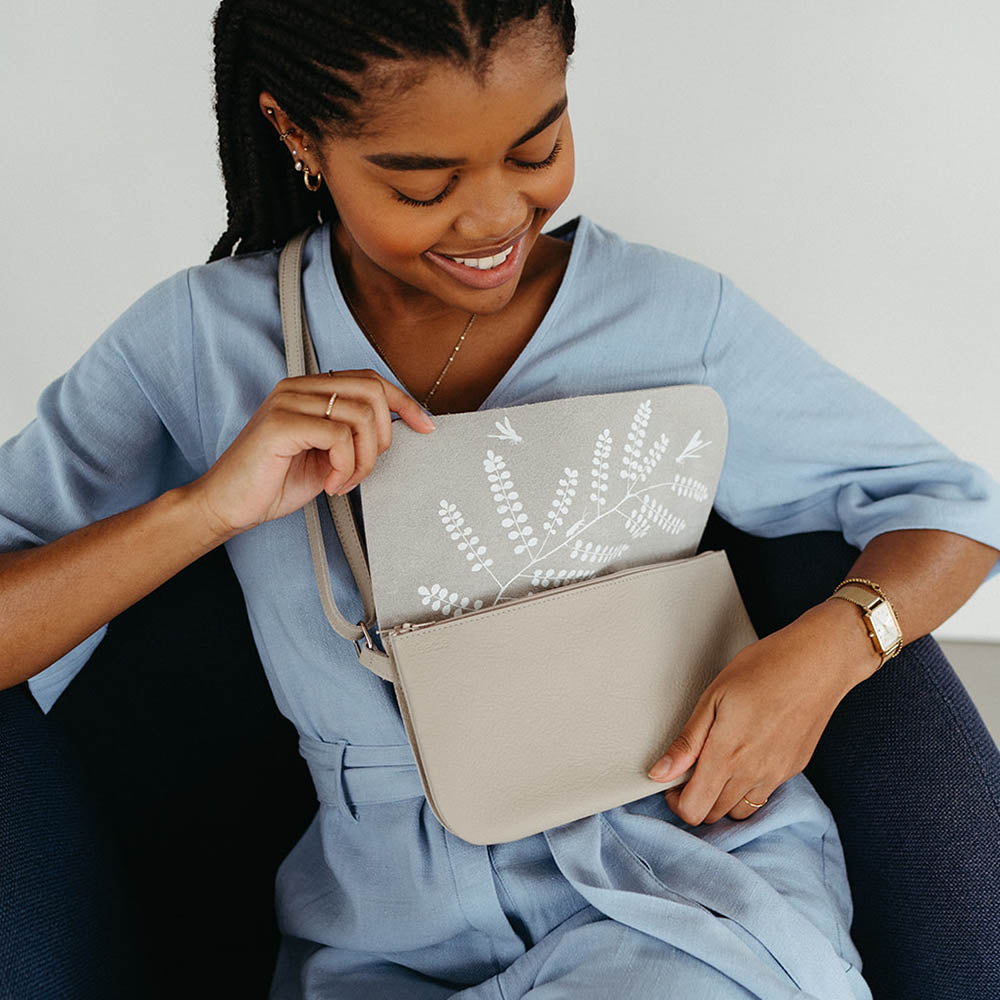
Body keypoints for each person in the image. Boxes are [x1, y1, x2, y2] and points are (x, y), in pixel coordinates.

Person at [1, 2, 998, 997]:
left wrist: (827, 652)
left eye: (537, 149)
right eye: (422, 183)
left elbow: (955, 507)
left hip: (678, 897)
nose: (493, 218)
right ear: (296, 133)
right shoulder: (200, 343)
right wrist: (206, 508)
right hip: (375, 943)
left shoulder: (670, 317)